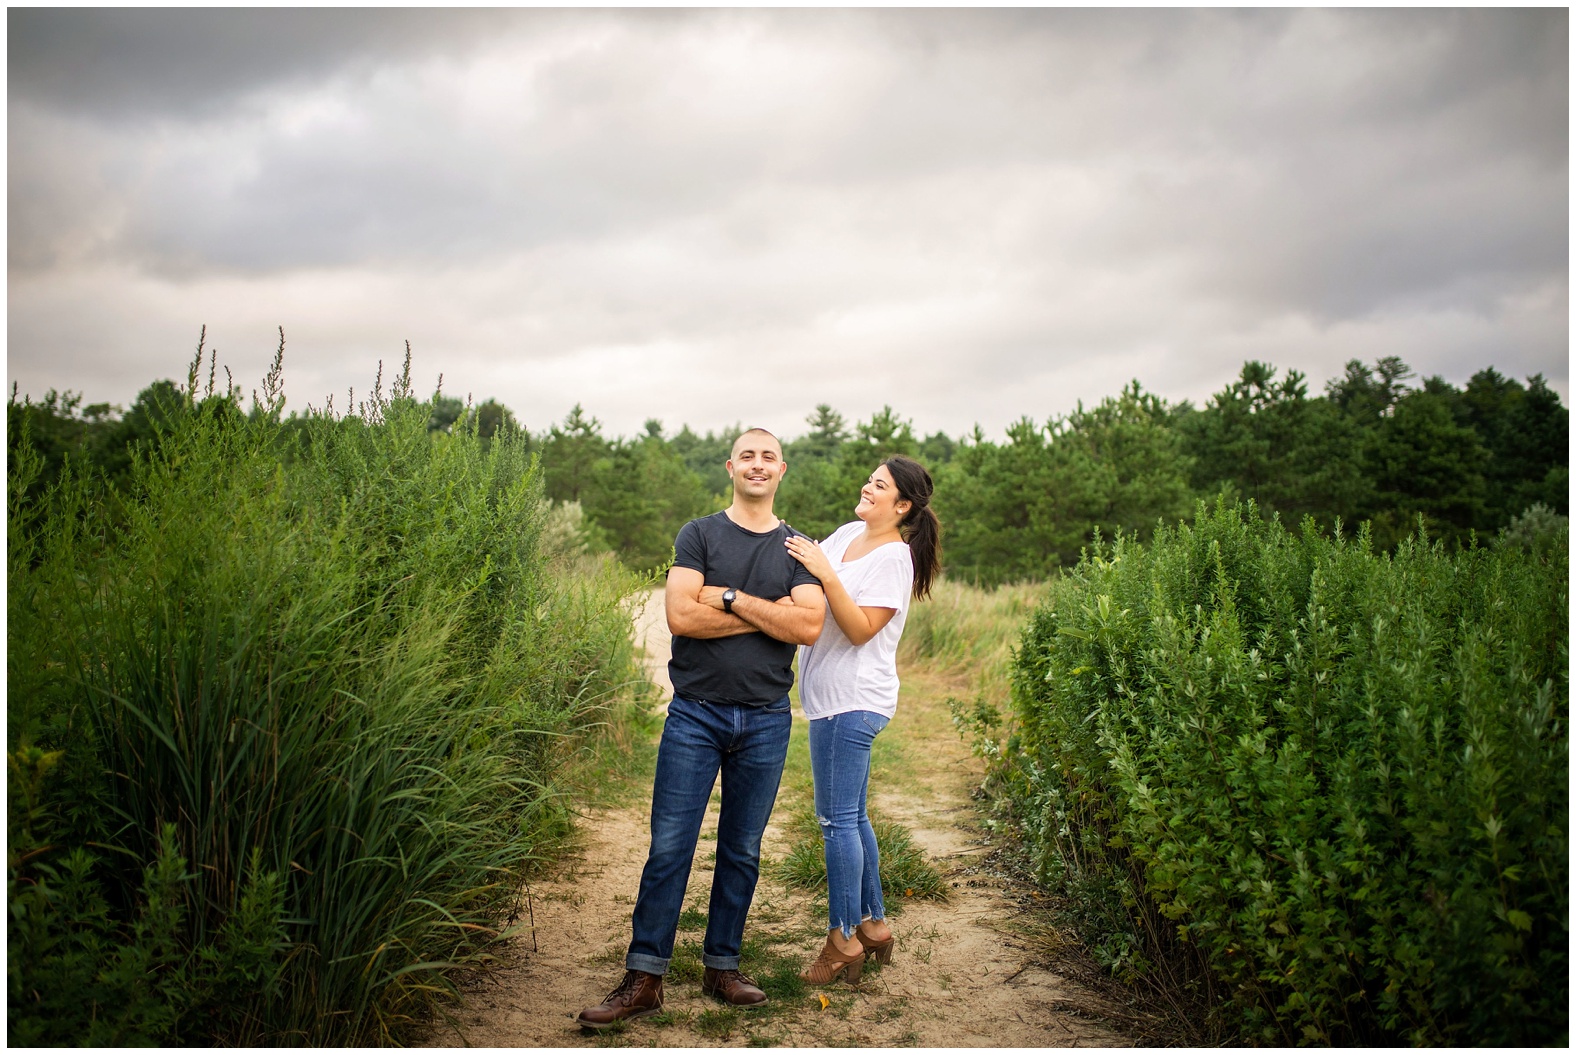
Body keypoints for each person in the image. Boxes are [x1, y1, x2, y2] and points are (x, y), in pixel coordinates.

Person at [576, 428, 826, 1031]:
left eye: (768, 457)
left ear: (783, 469)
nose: (758, 465)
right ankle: (644, 977)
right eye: (748, 456)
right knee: (670, 846)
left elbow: (810, 626)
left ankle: (722, 966)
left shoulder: (797, 546)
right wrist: (772, 615)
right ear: (730, 467)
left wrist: (731, 598)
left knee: (742, 848)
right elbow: (680, 615)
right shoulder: (699, 533)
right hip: (695, 714)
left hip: (766, 718)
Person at [779, 455, 940, 985]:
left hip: (852, 702)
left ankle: (841, 938)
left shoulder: (895, 558)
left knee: (835, 821)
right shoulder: (848, 532)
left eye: (881, 486)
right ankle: (874, 927)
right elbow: (799, 575)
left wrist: (826, 574)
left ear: (903, 505)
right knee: (854, 816)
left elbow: (857, 629)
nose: (868, 488)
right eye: (869, 479)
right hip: (831, 698)